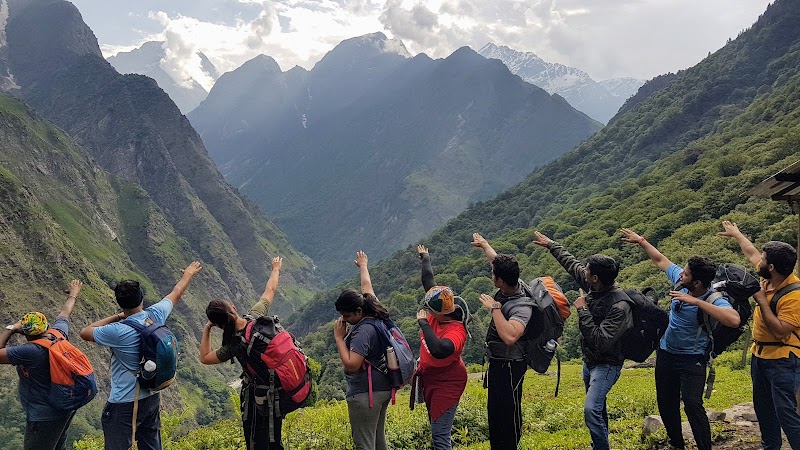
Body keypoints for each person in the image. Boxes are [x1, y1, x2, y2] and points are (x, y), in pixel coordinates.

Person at [620, 228, 739, 450]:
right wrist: (642, 241)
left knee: (693, 404)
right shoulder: (681, 282)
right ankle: (677, 444)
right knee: (666, 404)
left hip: (692, 359)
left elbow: (733, 319)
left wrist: (696, 302)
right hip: (666, 354)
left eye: (685, 274)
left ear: (696, 283)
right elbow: (661, 260)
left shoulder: (713, 298)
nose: (680, 274)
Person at [80, 261, 202, 450]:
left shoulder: (117, 331)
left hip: (124, 403)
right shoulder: (155, 315)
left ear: (120, 304)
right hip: (151, 397)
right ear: (142, 298)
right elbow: (176, 293)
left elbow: (85, 332)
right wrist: (188, 274)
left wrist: (118, 316)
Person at [533, 231, 632, 450]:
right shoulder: (593, 286)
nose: (583, 271)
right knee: (598, 407)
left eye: (587, 270)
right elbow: (571, 263)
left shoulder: (619, 306)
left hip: (606, 365)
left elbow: (600, 341)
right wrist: (551, 245)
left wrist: (583, 310)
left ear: (595, 277)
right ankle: (601, 444)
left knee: (590, 409)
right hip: (589, 363)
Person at [719, 220, 800, 450]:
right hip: (760, 356)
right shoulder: (769, 278)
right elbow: (751, 252)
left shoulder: (794, 295)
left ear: (772, 267)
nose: (759, 261)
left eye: (764, 260)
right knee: (764, 411)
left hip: (784, 360)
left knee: (787, 413)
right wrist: (737, 234)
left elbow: (781, 331)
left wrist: (761, 300)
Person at [200, 257, 286, 450]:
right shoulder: (256, 317)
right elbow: (269, 291)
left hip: (258, 399)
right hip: (279, 392)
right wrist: (276, 268)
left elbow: (205, 358)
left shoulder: (234, 344)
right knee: (274, 438)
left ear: (219, 326)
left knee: (257, 440)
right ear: (234, 309)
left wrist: (206, 329)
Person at [0, 280, 83, 450]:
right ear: (46, 327)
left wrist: (11, 328)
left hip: (44, 415)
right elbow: (65, 313)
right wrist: (73, 294)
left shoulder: (30, 351)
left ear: (25, 333)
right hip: (65, 407)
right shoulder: (58, 334)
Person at [471, 233, 531, 450]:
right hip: (499, 363)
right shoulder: (514, 283)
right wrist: (485, 246)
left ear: (499, 281)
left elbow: (510, 336)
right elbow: (497, 262)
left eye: (493, 274)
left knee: (509, 413)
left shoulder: (522, 306)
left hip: (511, 366)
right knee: (495, 413)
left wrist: (495, 308)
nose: (491, 275)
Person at [333, 251, 393, 450]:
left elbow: (352, 365)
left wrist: (339, 338)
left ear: (358, 312)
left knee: (364, 444)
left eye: (347, 316)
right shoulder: (375, 311)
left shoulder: (363, 332)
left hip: (366, 394)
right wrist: (363, 266)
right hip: (383, 387)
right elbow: (367, 287)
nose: (344, 320)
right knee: (377, 439)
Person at [416, 245, 469, 450]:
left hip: (447, 384)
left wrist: (424, 323)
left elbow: (440, 350)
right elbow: (428, 281)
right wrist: (425, 258)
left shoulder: (456, 331)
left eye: (429, 310)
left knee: (440, 435)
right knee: (437, 430)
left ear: (441, 313)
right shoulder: (440, 311)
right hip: (432, 380)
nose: (426, 311)